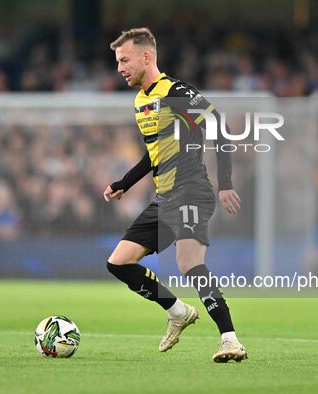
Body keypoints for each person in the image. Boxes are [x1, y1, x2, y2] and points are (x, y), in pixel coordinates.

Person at [103, 27, 247, 362]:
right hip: (165, 197)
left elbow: (218, 126)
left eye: (124, 60)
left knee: (189, 263)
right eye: (117, 61)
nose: (120, 68)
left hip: (192, 191)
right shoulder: (142, 101)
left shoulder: (174, 92)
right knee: (119, 263)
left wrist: (224, 182)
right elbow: (153, 155)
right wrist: (124, 182)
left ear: (146, 56)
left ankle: (230, 339)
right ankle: (178, 311)